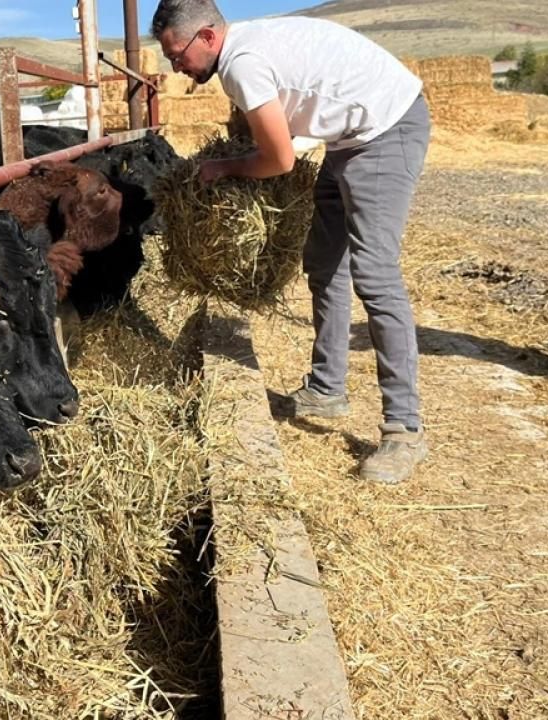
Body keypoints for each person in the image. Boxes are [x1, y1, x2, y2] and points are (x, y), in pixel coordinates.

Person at [151, 0, 431, 484]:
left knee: (375, 274)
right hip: (349, 139)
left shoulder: (240, 64)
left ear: (208, 37)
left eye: (178, 55)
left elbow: (278, 160)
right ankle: (327, 389)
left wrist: (224, 167)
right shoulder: (244, 48)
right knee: (324, 262)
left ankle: (404, 429)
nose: (176, 67)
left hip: (386, 131)